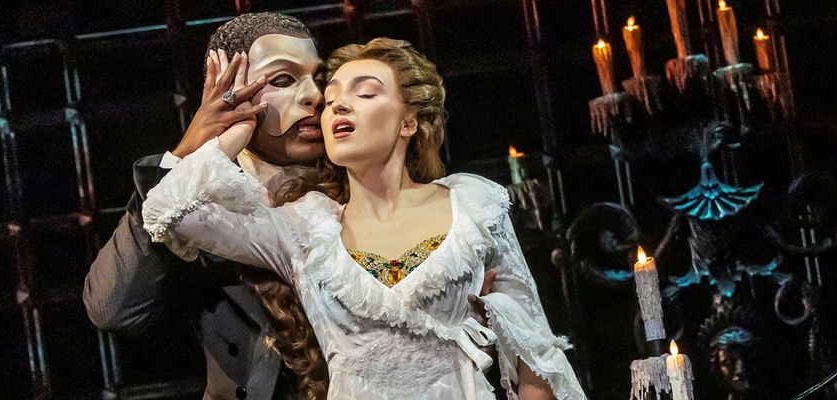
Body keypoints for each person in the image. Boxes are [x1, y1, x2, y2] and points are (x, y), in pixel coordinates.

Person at [141, 38, 586, 399]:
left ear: (409, 122)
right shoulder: (303, 228)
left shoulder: (473, 204)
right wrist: (236, 129)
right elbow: (170, 212)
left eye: (366, 93)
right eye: (331, 100)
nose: (338, 106)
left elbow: (534, 351)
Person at [84, 12, 332, 399]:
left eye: (319, 78)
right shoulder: (199, 199)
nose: (314, 95)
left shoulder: (361, 178)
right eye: (283, 80)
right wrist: (187, 155)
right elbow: (114, 309)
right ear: (226, 92)